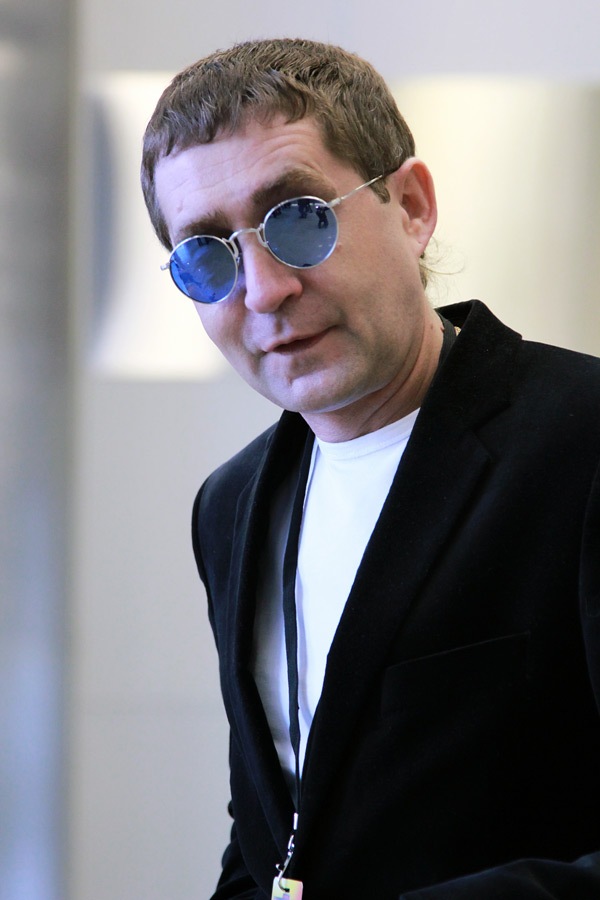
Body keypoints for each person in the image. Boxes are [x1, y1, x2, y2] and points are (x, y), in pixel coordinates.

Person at [141, 38, 600, 899]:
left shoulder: (581, 440)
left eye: (299, 219)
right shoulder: (230, 506)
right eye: (208, 257)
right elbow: (274, 834)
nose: (264, 291)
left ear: (412, 206)